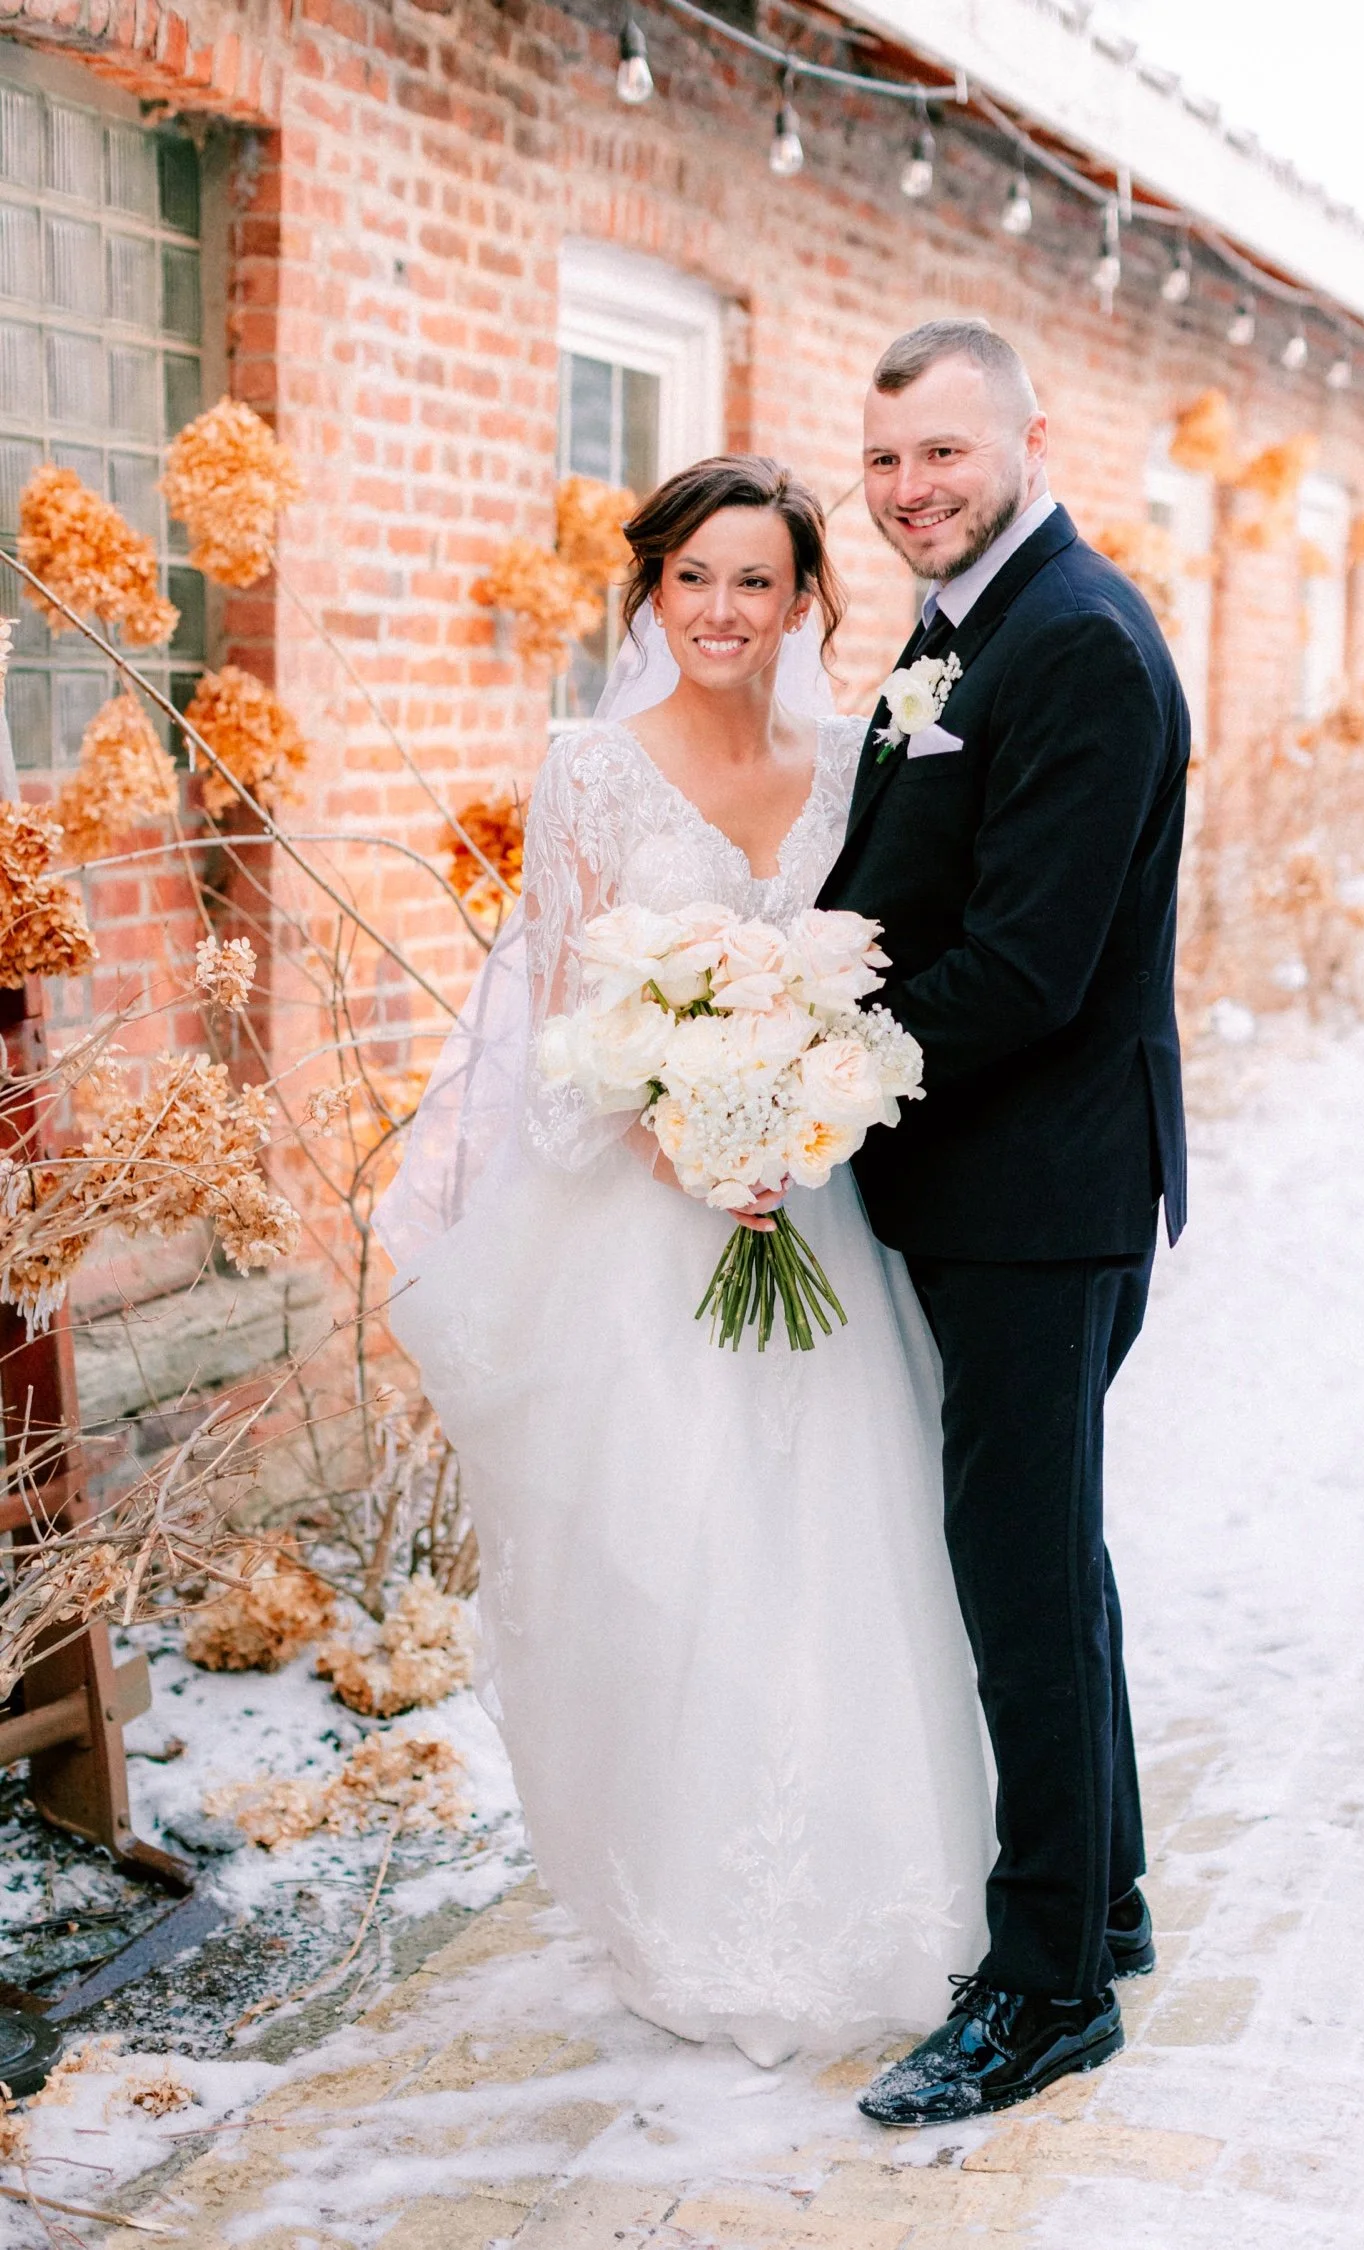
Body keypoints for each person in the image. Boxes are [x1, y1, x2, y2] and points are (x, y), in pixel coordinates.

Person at [375, 454, 993, 2072]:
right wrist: (693, 1144)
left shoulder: (848, 765)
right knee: (672, 1555)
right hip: (652, 1226)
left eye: (758, 582)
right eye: (695, 577)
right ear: (654, 587)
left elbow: (871, 975)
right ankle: (688, 1899)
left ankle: (865, 1896)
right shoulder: (590, 767)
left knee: (838, 1548)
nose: (724, 610)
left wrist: (802, 1128)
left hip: (816, 1215)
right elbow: (567, 1011)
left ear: (803, 601)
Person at [820, 319, 1190, 2125]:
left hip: (1043, 1197)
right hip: (994, 1193)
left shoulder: (1082, 644)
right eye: (884, 462)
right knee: (1054, 1557)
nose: (909, 493)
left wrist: (810, 1069)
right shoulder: (974, 619)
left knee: (1021, 1587)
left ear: (1034, 435)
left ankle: (1043, 1986)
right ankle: (1100, 1898)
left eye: (943, 456)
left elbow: (1029, 971)